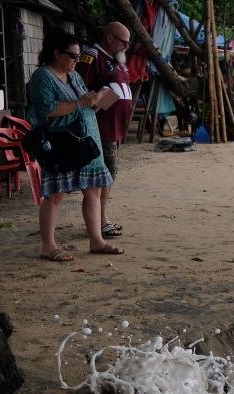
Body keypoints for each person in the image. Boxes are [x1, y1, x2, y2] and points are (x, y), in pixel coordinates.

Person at [27, 30, 123, 260]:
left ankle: (97, 241)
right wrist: (81, 103)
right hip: (61, 143)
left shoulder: (75, 76)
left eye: (78, 56)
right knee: (56, 194)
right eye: (72, 55)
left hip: (87, 141)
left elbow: (83, 103)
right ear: (56, 52)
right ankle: (48, 246)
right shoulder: (42, 77)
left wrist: (97, 101)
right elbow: (47, 110)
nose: (76, 61)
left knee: (94, 190)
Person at [76, 22, 132, 239]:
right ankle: (101, 220)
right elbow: (81, 90)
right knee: (103, 175)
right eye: (124, 42)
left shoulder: (118, 61)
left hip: (114, 129)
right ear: (110, 38)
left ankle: (102, 217)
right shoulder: (92, 56)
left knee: (110, 173)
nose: (127, 47)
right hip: (100, 129)